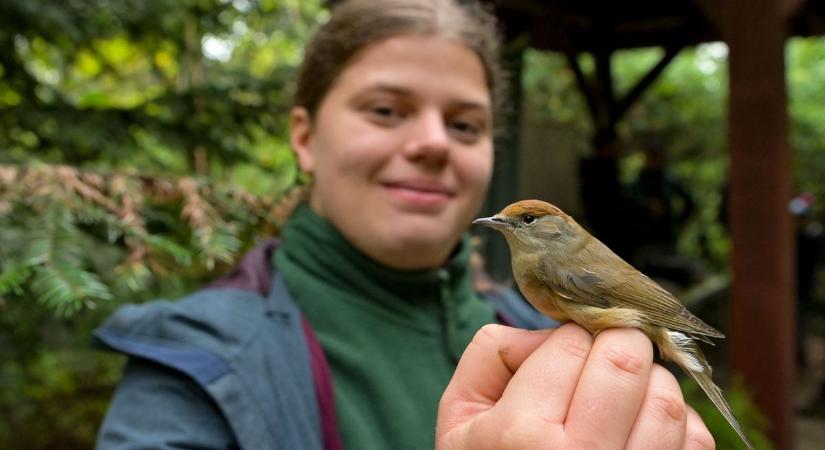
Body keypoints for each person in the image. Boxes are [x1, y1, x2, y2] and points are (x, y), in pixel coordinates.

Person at [93, 0, 715, 448]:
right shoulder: (190, 364)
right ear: (304, 139)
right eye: (386, 110)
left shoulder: (534, 325)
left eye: (465, 124)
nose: (432, 144)